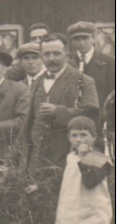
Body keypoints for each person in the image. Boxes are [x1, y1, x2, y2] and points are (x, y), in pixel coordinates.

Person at [19, 35, 99, 174]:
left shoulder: (84, 81)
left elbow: (92, 113)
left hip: (68, 155)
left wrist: (58, 111)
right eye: (47, 54)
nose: (52, 58)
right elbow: (29, 122)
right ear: (42, 57)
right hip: (37, 159)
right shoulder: (37, 82)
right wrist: (23, 156)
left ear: (66, 55)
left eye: (56, 53)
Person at [52, 117, 112, 224]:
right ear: (68, 138)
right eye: (74, 135)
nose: (78, 140)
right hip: (71, 210)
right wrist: (40, 186)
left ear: (94, 137)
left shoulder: (101, 159)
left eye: (83, 135)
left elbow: (90, 182)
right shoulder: (70, 157)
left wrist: (83, 157)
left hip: (93, 212)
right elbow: (64, 179)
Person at [67, 21, 114, 107]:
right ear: (72, 41)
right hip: (72, 116)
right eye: (77, 39)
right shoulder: (67, 61)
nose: (81, 42)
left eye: (85, 38)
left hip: (100, 115)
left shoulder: (109, 62)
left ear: (93, 39)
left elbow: (112, 95)